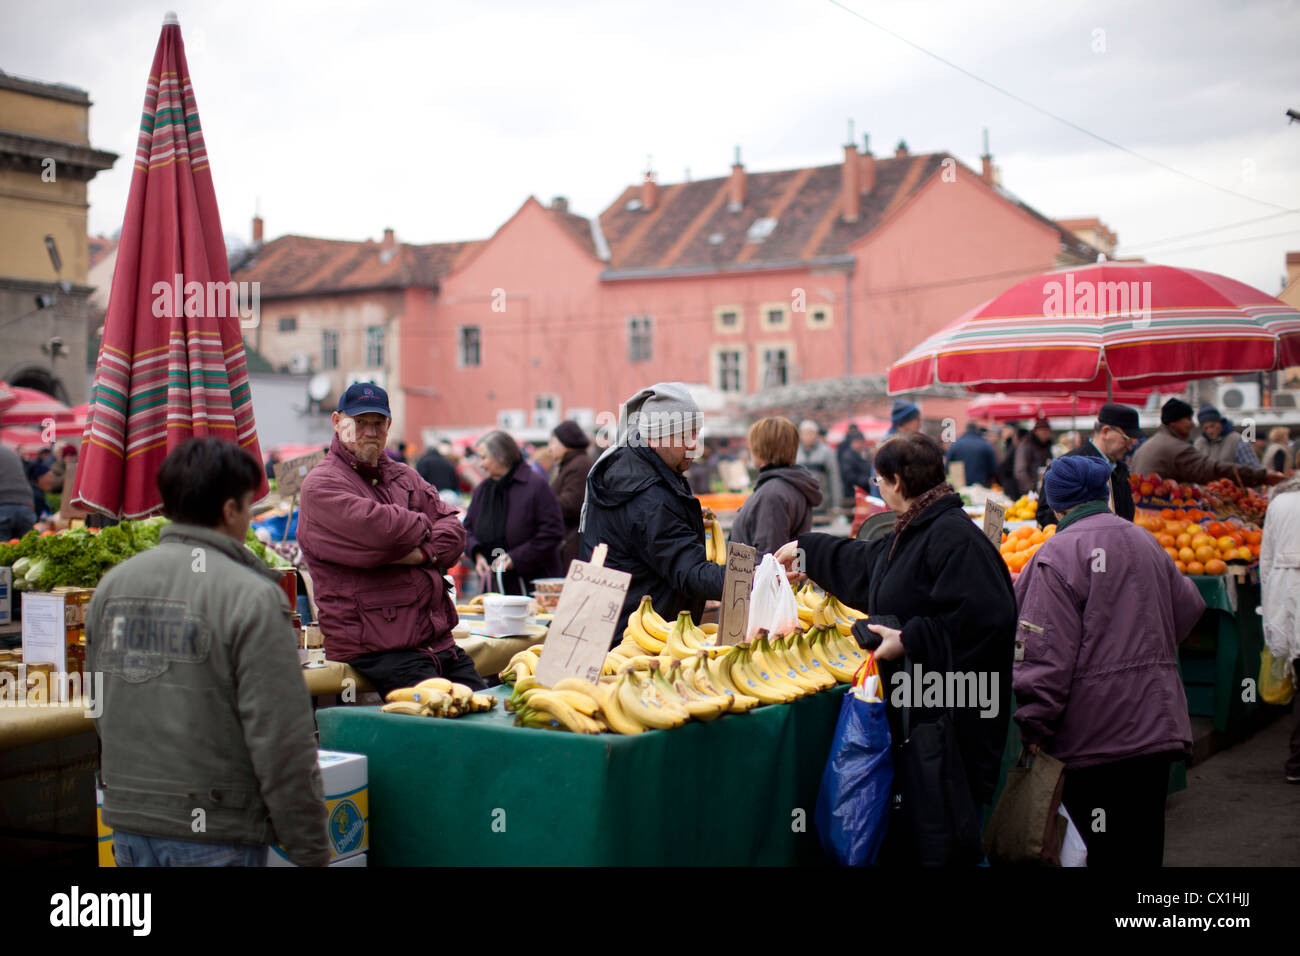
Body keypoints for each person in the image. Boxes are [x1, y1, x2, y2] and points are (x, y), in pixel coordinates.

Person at [773, 431, 1016, 864]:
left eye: (879, 480)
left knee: (954, 844)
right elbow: (870, 567)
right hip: (925, 723)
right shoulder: (918, 527)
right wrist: (806, 551)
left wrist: (909, 640)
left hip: (954, 729)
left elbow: (988, 622)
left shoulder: (954, 539)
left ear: (898, 482)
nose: (878, 488)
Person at [87, 438, 329, 866]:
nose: (251, 519)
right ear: (230, 510)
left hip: (128, 826)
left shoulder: (112, 586)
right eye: (248, 507)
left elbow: (99, 705)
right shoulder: (252, 596)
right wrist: (311, 849)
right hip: (214, 832)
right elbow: (281, 740)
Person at [1013, 456, 1204, 867]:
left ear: (1056, 503)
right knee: (1142, 846)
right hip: (1156, 726)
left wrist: (1034, 723)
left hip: (1095, 738)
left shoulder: (1056, 554)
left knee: (1096, 850)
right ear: (1104, 493)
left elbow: (1044, 655)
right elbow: (1188, 607)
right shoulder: (1143, 539)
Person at [297, 382, 483, 697]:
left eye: (377, 423)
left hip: (434, 642)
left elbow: (455, 532)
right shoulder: (322, 485)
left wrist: (419, 554)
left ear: (389, 426)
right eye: (360, 422)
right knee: (449, 725)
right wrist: (424, 524)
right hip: (377, 648)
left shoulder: (404, 476)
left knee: (485, 706)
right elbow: (381, 533)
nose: (370, 431)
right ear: (337, 422)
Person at [578, 382, 726, 641]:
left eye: (696, 434)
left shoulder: (630, 470)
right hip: (635, 643)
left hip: (611, 630)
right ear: (657, 435)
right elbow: (690, 572)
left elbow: (650, 537)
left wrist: (683, 520)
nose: (694, 444)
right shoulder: (650, 496)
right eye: (685, 435)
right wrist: (754, 576)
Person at [463, 429, 564, 596]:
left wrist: (516, 558)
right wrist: (477, 554)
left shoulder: (536, 486)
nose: (480, 464)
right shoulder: (482, 490)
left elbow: (552, 532)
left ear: (501, 457)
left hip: (531, 586)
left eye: (483, 458)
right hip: (494, 588)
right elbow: (467, 530)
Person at [1131, 398, 1282, 487]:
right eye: (1188, 419)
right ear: (1173, 422)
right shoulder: (1176, 447)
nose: (1192, 424)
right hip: (1160, 515)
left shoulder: (1148, 445)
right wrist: (1261, 476)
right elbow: (1211, 469)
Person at [1035, 403, 1142, 527]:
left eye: (1133, 442)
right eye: (1126, 439)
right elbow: (1044, 514)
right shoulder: (1067, 465)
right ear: (1105, 431)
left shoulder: (1120, 468)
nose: (1130, 446)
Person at [729, 417, 822, 557]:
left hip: (758, 578)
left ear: (761, 449)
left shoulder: (773, 493)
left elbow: (768, 557)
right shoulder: (790, 484)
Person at [1260, 473, 1300, 782]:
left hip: (1287, 595)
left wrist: (1269, 609)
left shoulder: (1279, 503)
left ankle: (1296, 762)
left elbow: (1267, 561)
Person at [548, 420, 595, 569]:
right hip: (572, 543)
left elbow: (571, 505)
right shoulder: (572, 464)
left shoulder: (579, 466)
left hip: (575, 546)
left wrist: (542, 503)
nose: (549, 448)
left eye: (553, 442)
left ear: (565, 442)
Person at [796, 420, 841, 515]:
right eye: (804, 433)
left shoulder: (826, 452)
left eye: (810, 433)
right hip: (800, 505)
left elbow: (834, 478)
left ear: (816, 434)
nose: (807, 436)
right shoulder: (795, 453)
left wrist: (836, 504)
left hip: (822, 504)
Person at [1195, 404, 1259, 467]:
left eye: (1212, 426)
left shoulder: (1236, 440)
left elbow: (1252, 468)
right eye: (1206, 428)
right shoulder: (1199, 444)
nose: (1210, 431)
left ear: (1220, 422)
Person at [0, 443, 38, 539]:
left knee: (3, 550)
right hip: (26, 505)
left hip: (3, 505)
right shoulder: (10, 452)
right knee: (26, 550)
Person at [946, 422, 997, 488]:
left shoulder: (955, 444)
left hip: (959, 485)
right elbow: (993, 467)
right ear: (977, 430)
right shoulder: (986, 444)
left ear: (966, 429)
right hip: (981, 485)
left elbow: (947, 466)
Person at [1013, 419, 1053, 495]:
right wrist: (1031, 488)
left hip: (1042, 489)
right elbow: (1020, 470)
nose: (1044, 433)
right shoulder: (1026, 444)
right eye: (1042, 430)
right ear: (1036, 431)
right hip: (1030, 491)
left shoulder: (1047, 445)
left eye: (1046, 431)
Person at [837, 425, 873, 502]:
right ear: (852, 443)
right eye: (857, 442)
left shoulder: (867, 454)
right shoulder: (847, 456)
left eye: (861, 442)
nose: (859, 445)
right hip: (852, 493)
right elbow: (849, 477)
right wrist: (868, 481)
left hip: (867, 492)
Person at [993, 425, 1022, 497]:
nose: (1003, 432)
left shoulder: (1013, 445)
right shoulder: (1007, 444)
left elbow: (1006, 464)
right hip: (1007, 481)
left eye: (1005, 430)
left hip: (1011, 481)